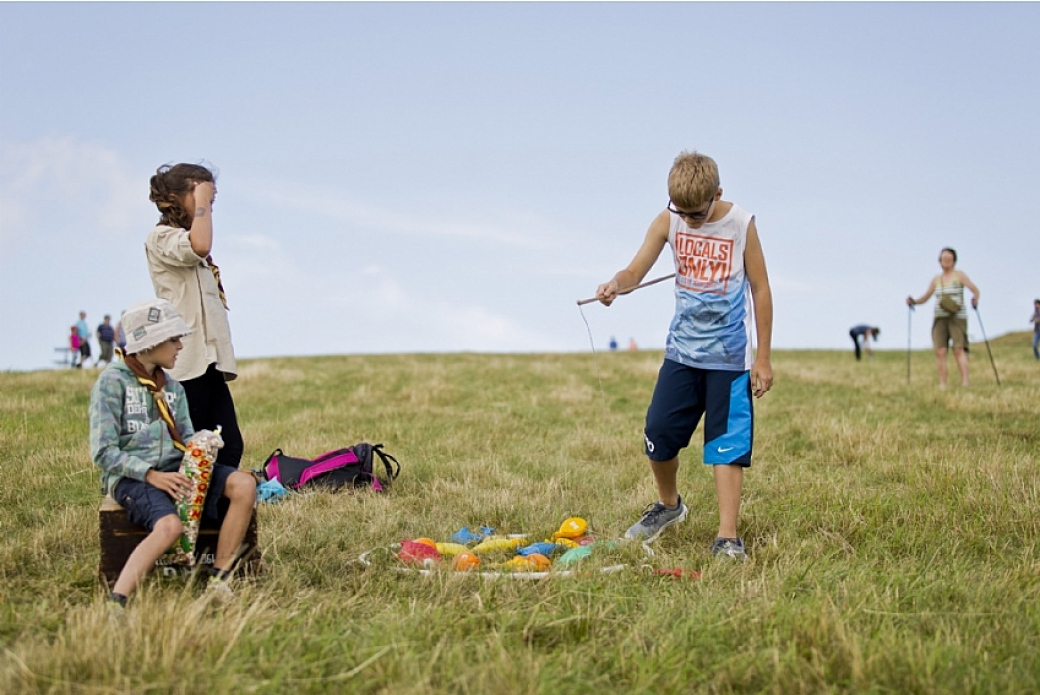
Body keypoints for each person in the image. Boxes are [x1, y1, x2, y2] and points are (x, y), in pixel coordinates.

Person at [594, 150, 773, 560]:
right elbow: (634, 271)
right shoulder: (668, 220)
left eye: (697, 212)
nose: (689, 219)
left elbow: (761, 289)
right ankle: (669, 506)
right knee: (658, 434)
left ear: (717, 194)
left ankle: (727, 537)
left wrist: (762, 358)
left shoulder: (742, 225)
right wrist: (615, 286)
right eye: (683, 212)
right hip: (682, 353)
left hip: (728, 360)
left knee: (726, 447)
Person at [90, 299, 256, 608]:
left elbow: (186, 438)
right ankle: (118, 601)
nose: (180, 345)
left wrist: (201, 448)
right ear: (151, 342)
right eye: (173, 338)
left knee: (244, 485)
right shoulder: (112, 383)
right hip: (134, 478)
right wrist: (151, 475)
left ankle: (219, 581)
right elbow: (103, 451)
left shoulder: (174, 388)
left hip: (177, 470)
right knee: (169, 527)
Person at [145, 163, 243, 468]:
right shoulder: (161, 238)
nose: (208, 207)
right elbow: (198, 246)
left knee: (229, 446)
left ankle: (217, 507)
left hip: (208, 358)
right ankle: (182, 508)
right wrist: (201, 201)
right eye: (200, 197)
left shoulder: (192, 245)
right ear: (175, 197)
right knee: (187, 447)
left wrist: (200, 201)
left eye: (211, 201)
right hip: (184, 363)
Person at [906, 247, 980, 387]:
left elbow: (975, 290)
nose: (946, 261)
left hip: (957, 317)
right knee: (940, 350)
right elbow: (926, 296)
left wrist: (975, 299)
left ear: (954, 261)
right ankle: (942, 384)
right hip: (940, 318)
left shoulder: (959, 275)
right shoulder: (936, 279)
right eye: (943, 258)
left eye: (949, 259)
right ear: (940, 261)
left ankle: (965, 382)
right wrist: (914, 302)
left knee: (958, 349)